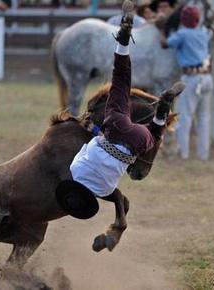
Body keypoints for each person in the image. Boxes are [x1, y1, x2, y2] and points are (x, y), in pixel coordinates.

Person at [56, 6, 185, 219]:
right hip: (115, 126)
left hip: (134, 143)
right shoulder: (75, 170)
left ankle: (162, 110)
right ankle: (123, 42)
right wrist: (92, 126)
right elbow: (91, 141)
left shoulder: (105, 190)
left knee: (153, 133)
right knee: (120, 78)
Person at [162, 6, 212, 161]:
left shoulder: (182, 34)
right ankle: (203, 154)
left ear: (183, 20)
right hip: (207, 77)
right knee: (204, 118)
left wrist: (160, 29)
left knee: (185, 117)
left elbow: (164, 43)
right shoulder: (203, 33)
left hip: (191, 78)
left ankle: (184, 154)